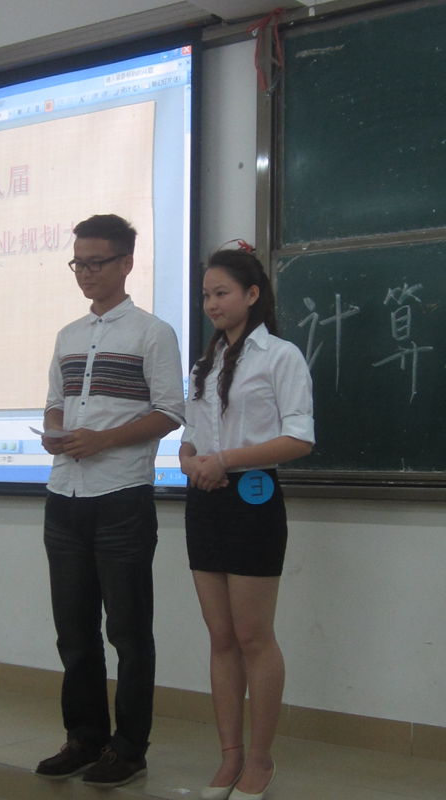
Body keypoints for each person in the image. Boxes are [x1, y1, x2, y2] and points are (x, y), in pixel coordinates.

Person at [35, 214, 185, 788]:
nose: (85, 273)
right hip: (63, 495)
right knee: (73, 631)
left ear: (126, 263)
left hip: (121, 496)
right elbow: (55, 399)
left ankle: (129, 748)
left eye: (96, 262)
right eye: (78, 263)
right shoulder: (68, 335)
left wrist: (103, 439)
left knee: (128, 631)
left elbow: (170, 411)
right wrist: (55, 430)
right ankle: (84, 738)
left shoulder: (153, 332)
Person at [179, 245, 314, 800]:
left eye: (222, 293)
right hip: (205, 501)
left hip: (254, 500)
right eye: (206, 295)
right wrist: (190, 462)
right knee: (220, 636)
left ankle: (260, 759)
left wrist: (226, 461)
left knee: (254, 636)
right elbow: (191, 437)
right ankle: (229, 756)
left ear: (252, 295)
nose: (211, 304)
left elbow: (299, 438)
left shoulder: (280, 356)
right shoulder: (204, 365)